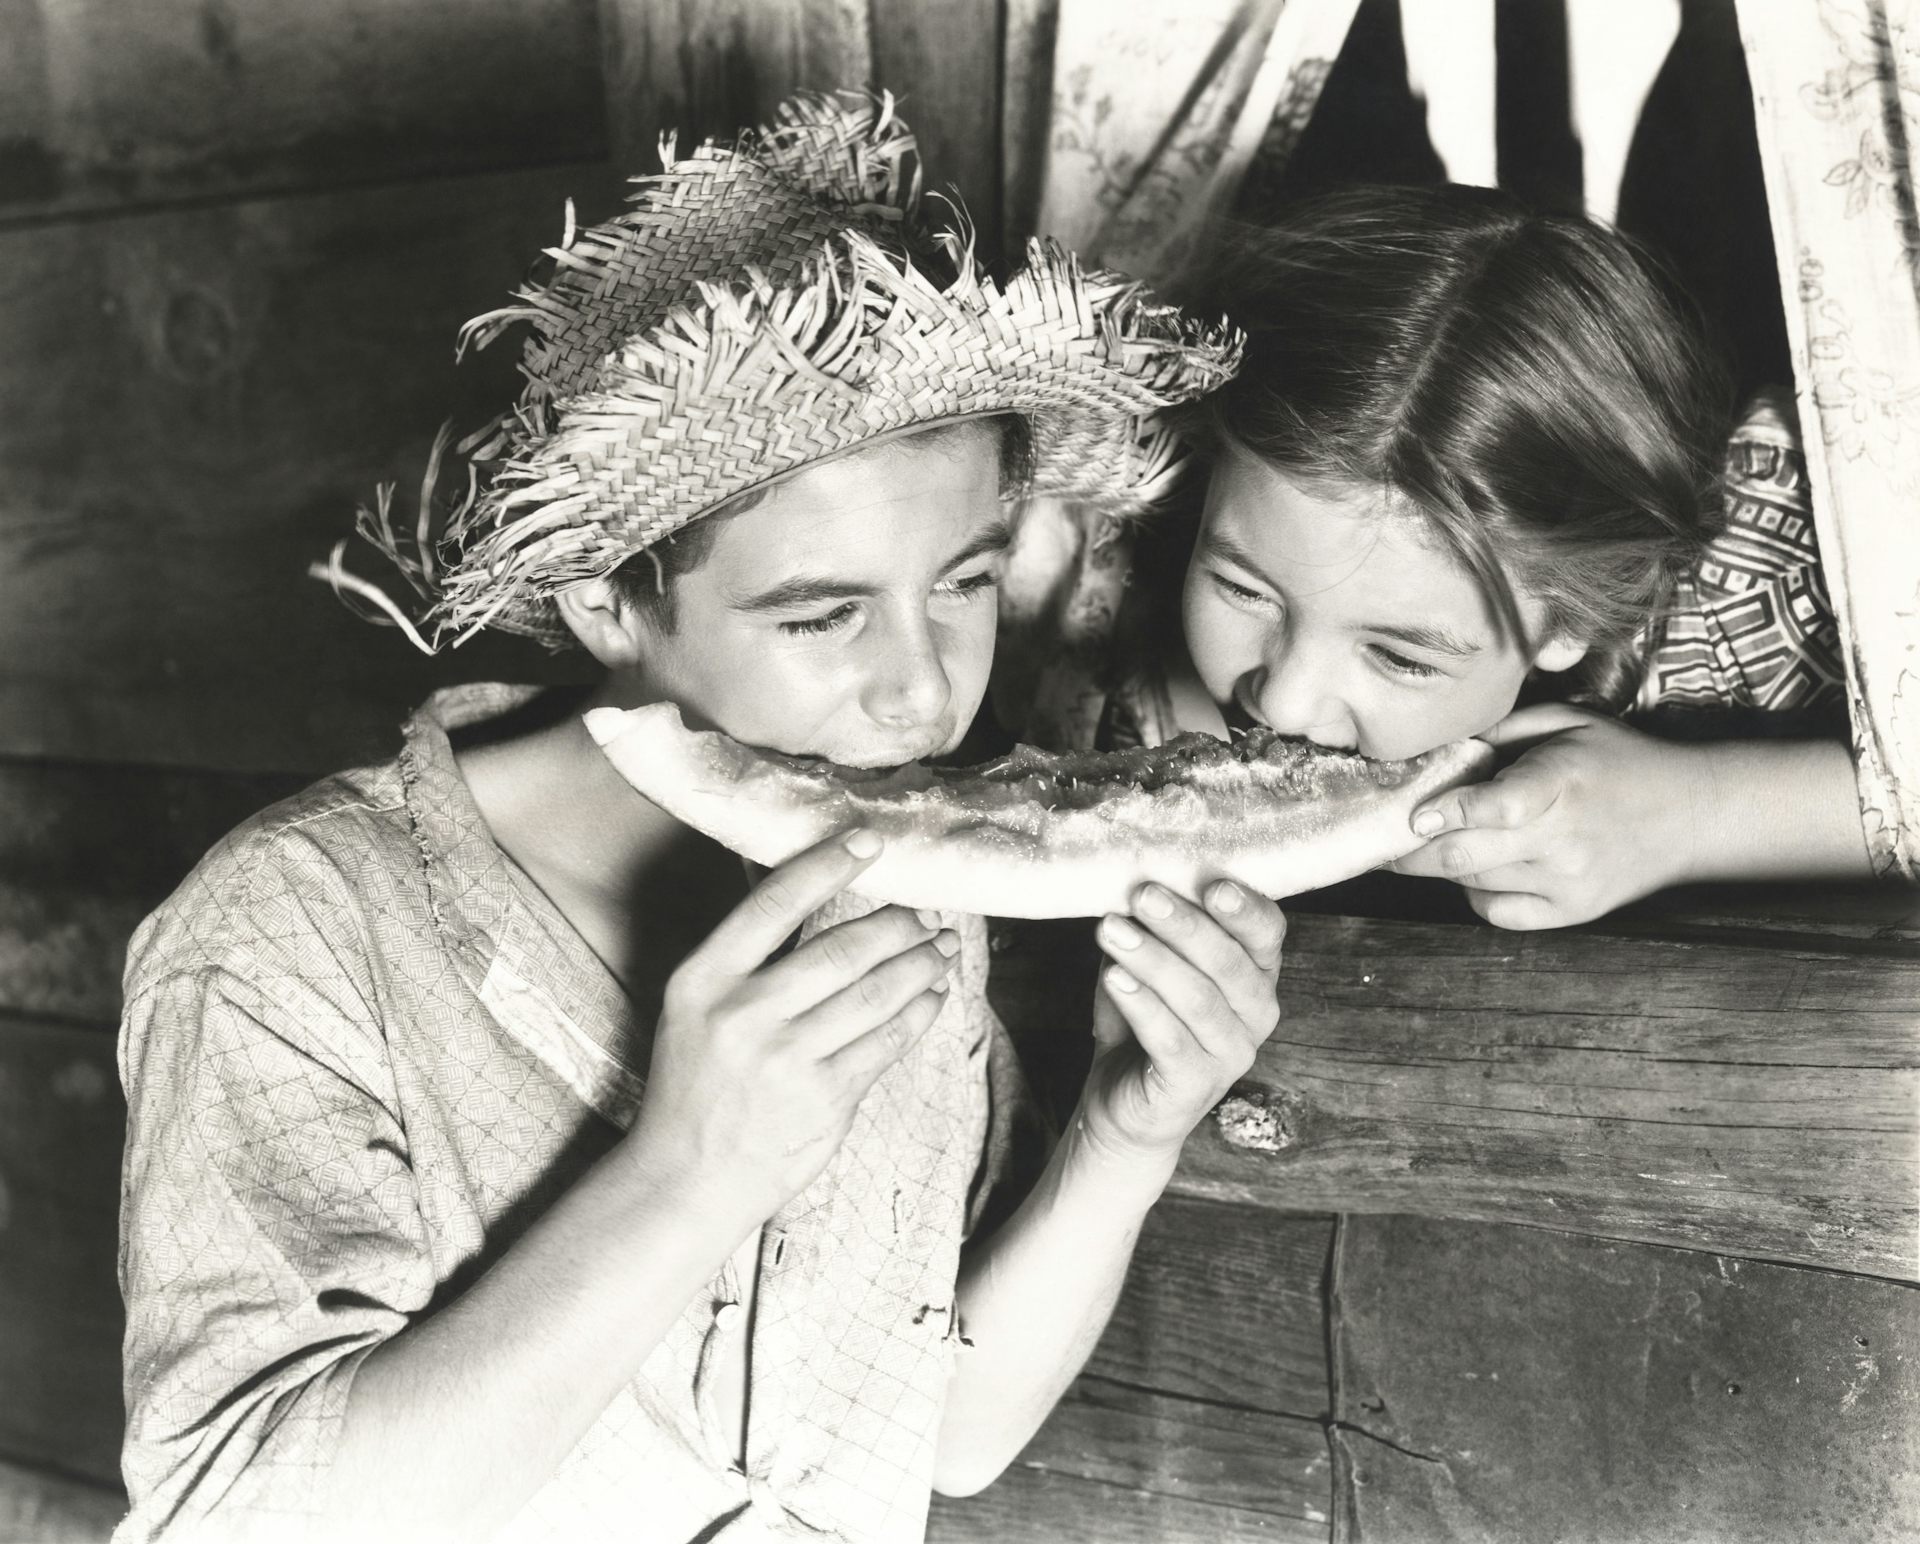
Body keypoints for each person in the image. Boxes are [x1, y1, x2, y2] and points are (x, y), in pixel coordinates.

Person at [113, 94, 1280, 1544]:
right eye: (822, 611)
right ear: (608, 599)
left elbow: (948, 1435)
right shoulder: (293, 930)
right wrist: (690, 1170)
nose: (923, 694)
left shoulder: (896, 888)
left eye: (966, 582)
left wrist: (1123, 1139)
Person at [1103, 183, 1876, 930]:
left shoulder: (1813, 551)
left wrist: (1695, 813)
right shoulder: (1116, 624)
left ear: (1573, 617)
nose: (1285, 704)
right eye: (1242, 590)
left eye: (1402, 658)